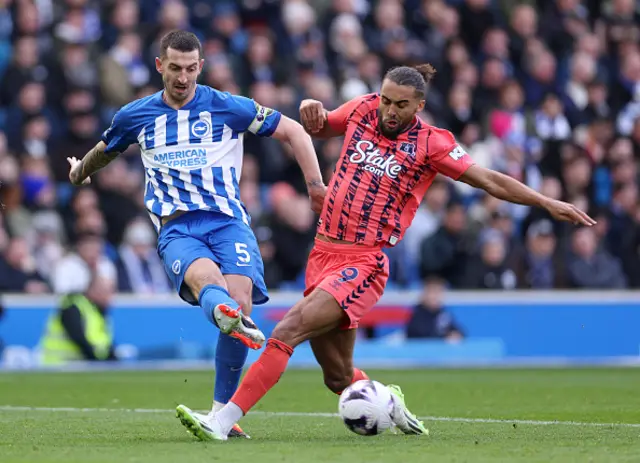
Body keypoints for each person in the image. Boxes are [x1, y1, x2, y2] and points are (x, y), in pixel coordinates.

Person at [175, 64, 595, 441]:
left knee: (288, 330)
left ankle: (222, 420)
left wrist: (545, 202)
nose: (388, 111)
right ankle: (389, 402)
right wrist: (310, 108)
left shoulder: (432, 144)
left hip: (363, 262)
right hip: (321, 254)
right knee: (338, 377)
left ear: (419, 105)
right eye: (386, 100)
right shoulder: (363, 109)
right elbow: (321, 126)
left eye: (400, 105)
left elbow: (488, 179)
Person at [66, 30, 326, 438]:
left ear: (200, 67)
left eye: (190, 69)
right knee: (209, 281)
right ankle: (224, 315)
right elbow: (107, 148)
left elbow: (294, 130)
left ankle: (221, 415)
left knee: (239, 299)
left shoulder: (227, 107)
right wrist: (79, 171)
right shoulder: (136, 115)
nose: (183, 77)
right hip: (178, 227)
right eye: (174, 68)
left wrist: (315, 188)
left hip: (228, 223)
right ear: (159, 66)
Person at [39, 274, 117, 365]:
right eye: (105, 291)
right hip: (60, 364)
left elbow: (104, 343)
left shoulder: (98, 312)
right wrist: (97, 360)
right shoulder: (72, 306)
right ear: (92, 290)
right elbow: (78, 337)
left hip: (81, 365)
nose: (109, 296)